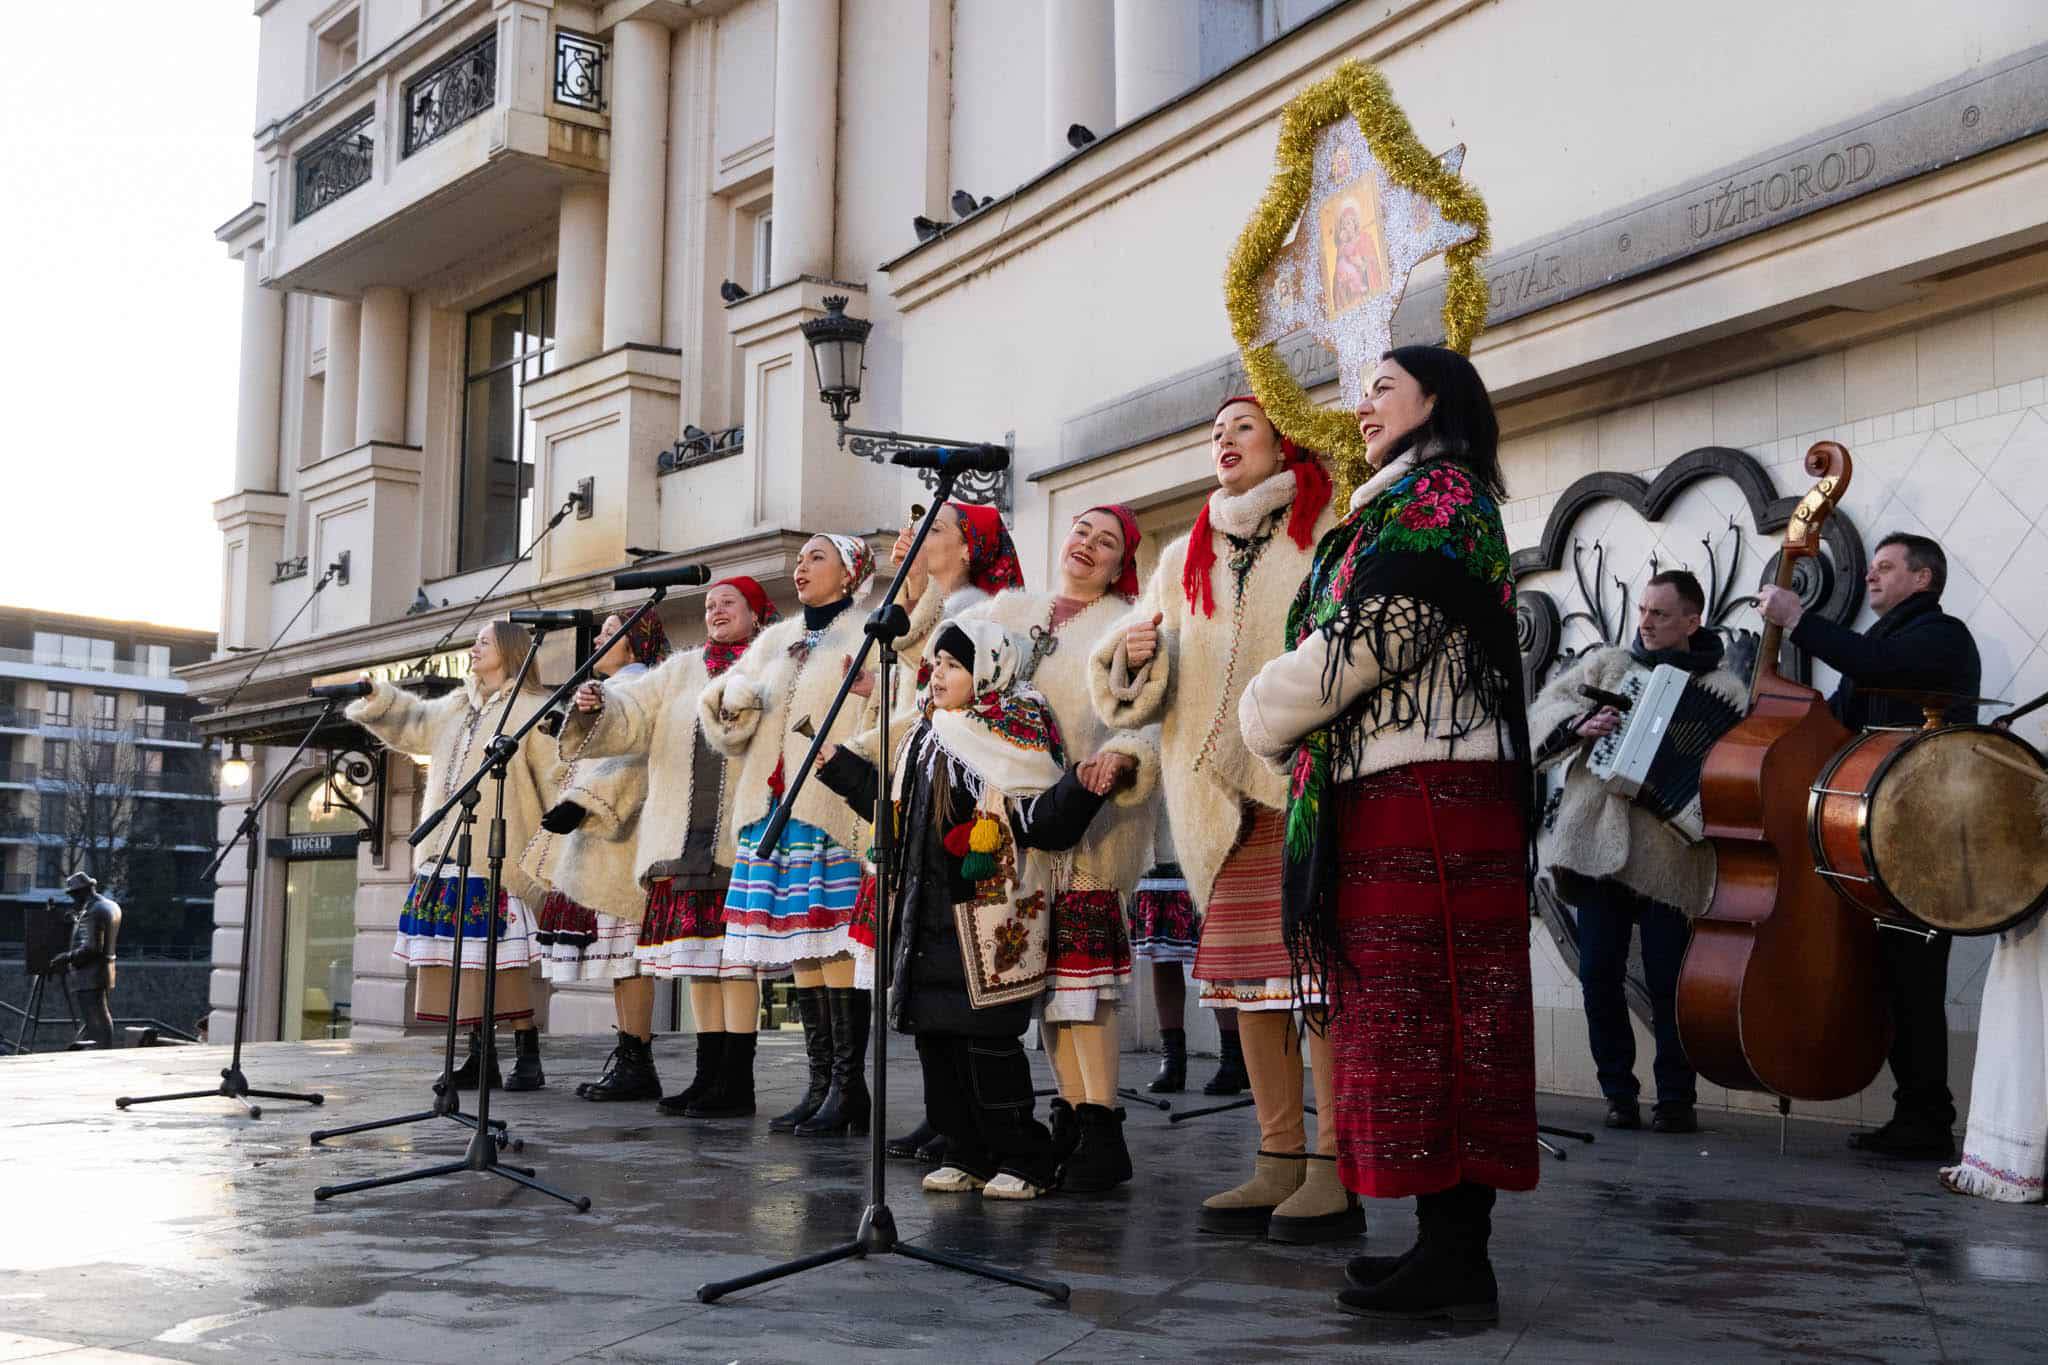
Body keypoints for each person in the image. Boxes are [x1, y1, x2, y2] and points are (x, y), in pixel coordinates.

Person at [1239, 345, 1537, 1323]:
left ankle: (1460, 1265)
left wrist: (1262, 708)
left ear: (1435, 403)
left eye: (1380, 388)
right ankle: (1441, 1251)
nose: (1359, 405)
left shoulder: (1444, 496)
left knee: (1442, 1019)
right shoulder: (1395, 504)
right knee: (1412, 1023)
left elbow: (1381, 635)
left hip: (1434, 793)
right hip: (1397, 787)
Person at [1091, 394, 1350, 1243]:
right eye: (1216, 430)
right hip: (1218, 804)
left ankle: (1334, 1166)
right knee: (1251, 991)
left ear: (1284, 444)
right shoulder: (1181, 555)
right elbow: (1147, 672)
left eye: (1245, 427)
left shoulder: (1327, 523)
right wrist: (1132, 658)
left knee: (1317, 985)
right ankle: (1277, 1157)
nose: (1225, 440)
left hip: (1299, 782)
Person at [890, 503, 1159, 1191]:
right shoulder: (1011, 607)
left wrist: (1121, 760)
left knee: (1082, 990)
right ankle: (1063, 1118)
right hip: (1009, 835)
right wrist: (916, 577)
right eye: (1080, 531)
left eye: (1107, 540)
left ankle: (1100, 1126)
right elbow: (937, 660)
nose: (1087, 546)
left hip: (1086, 822)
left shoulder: (1128, 622)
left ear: (1121, 560)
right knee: (1033, 991)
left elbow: (1151, 716)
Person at [818, 617, 1117, 1199]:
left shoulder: (1014, 731)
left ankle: (1024, 1157)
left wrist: (1079, 787)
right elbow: (894, 817)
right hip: (923, 920)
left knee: (988, 1052)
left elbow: (1037, 821)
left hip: (986, 922)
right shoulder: (924, 738)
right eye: (935, 665)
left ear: (986, 670)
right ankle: (964, 1150)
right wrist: (841, 768)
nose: (938, 675)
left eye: (954, 665)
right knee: (937, 1047)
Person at [1759, 531, 1982, 1160]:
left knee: (1915, 984)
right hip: (1876, 840)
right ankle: (1914, 1112)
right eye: (1873, 567)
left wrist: (1799, 621)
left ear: (1924, 580)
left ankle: (1928, 1117)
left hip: (1926, 840)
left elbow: (1877, 669)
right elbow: (1836, 722)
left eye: (1886, 568)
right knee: (1893, 982)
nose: (1872, 577)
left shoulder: (1942, 636)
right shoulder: (1880, 643)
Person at [1528, 570, 1746, 1134]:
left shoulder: (1726, 691)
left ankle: (1677, 1096)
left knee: (1672, 981)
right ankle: (1617, 1092)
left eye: (1660, 614)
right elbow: (1539, 718)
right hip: (1596, 846)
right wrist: (1582, 726)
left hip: (1671, 857)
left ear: (1691, 620)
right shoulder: (1607, 666)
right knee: (1598, 973)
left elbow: (1734, 771)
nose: (1645, 622)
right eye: (1643, 610)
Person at [562, 578, 779, 1117]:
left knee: (734, 967)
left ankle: (738, 1082)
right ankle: (709, 1077)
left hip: (736, 835)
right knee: (702, 964)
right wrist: (597, 705)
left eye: (729, 601)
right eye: (710, 604)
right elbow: (632, 716)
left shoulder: (768, 664)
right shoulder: (681, 669)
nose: (715, 609)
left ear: (755, 613)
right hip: (682, 837)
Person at [701, 534, 880, 1137]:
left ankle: (850, 1087)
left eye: (817, 558)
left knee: (831, 941)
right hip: (774, 807)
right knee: (801, 944)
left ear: (851, 574)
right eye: (800, 560)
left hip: (829, 807)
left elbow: (884, 715)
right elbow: (729, 718)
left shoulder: (866, 633)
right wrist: (729, 702)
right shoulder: (775, 640)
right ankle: (821, 1081)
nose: (801, 568)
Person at [349, 621, 562, 1090]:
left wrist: (555, 852)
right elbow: (411, 723)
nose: (474, 648)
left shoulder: (532, 710)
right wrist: (377, 697)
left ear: (508, 651)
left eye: (483, 642)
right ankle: (479, 1055)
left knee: (501, 961)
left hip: (501, 855)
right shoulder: (456, 708)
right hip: (445, 850)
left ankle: (528, 1052)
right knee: (460, 962)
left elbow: (555, 781)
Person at [523, 608, 671, 1100]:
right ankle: (631, 1055)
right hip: (600, 835)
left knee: (628, 961)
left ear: (637, 646)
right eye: (603, 632)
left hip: (621, 836)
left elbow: (632, 761)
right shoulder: (614, 691)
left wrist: (584, 803)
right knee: (619, 963)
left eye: (613, 634)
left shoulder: (638, 688)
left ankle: (638, 1059)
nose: (600, 640)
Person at [1132, 810, 1249, 1097]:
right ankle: (1172, 1060)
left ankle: (1233, 1057)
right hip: (1157, 839)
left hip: (1202, 834)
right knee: (1161, 955)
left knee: (1215, 952)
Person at [52, 871, 120, 1049]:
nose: (73, 899)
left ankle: (100, 1050)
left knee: (94, 1017)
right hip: (105, 971)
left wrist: (66, 957)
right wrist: (77, 918)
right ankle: (103, 1047)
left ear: (81, 892)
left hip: (89, 974)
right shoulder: (109, 905)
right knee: (102, 1013)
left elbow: (91, 948)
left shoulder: (91, 912)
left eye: (74, 895)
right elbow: (97, 932)